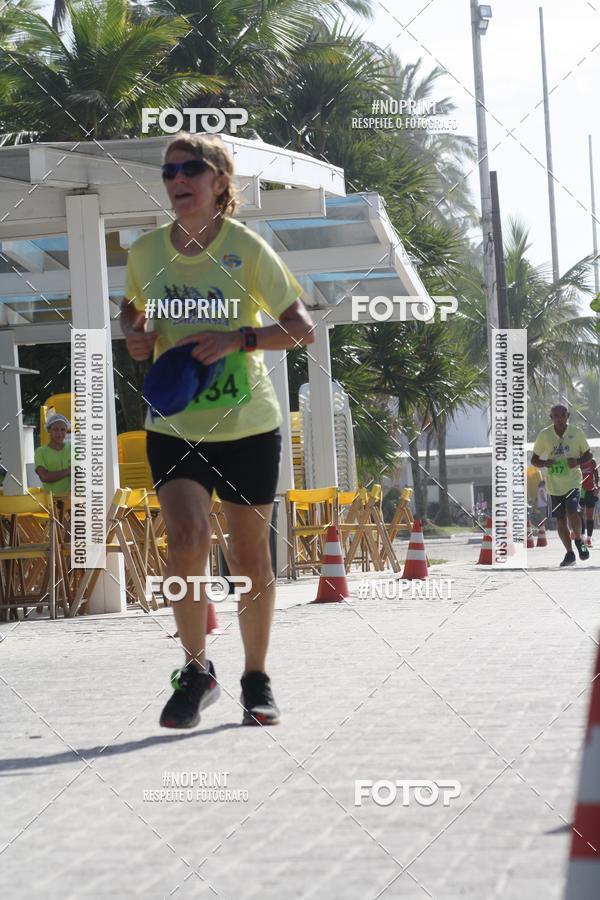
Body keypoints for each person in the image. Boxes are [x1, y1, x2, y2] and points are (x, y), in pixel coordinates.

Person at [121, 133, 314, 729]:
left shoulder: (247, 249)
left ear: (219, 182)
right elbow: (132, 310)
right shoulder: (148, 252)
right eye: (170, 172)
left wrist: (240, 338)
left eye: (191, 170)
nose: (178, 180)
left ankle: (255, 677)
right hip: (174, 422)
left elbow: (300, 327)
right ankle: (196, 670)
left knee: (251, 557)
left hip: (248, 424)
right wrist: (134, 332)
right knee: (184, 535)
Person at [531, 405, 592, 566]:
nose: (559, 418)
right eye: (556, 416)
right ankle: (570, 553)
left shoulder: (576, 432)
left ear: (567, 416)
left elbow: (589, 454)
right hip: (553, 486)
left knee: (572, 511)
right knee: (560, 520)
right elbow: (534, 460)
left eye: (562, 415)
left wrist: (577, 461)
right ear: (551, 417)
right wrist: (545, 462)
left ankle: (579, 540)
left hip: (572, 482)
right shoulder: (544, 435)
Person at [34, 413, 71, 494]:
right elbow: (44, 477)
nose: (59, 433)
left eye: (63, 429)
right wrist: (68, 472)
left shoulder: (73, 449)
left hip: (72, 499)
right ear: (49, 430)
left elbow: (80, 474)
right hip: (50, 500)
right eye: (55, 429)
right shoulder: (40, 452)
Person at [579, 455, 599, 547]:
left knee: (589, 515)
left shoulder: (592, 461)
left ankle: (589, 538)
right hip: (581, 490)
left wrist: (597, 487)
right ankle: (582, 535)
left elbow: (596, 474)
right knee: (580, 514)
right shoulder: (577, 460)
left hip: (590, 490)